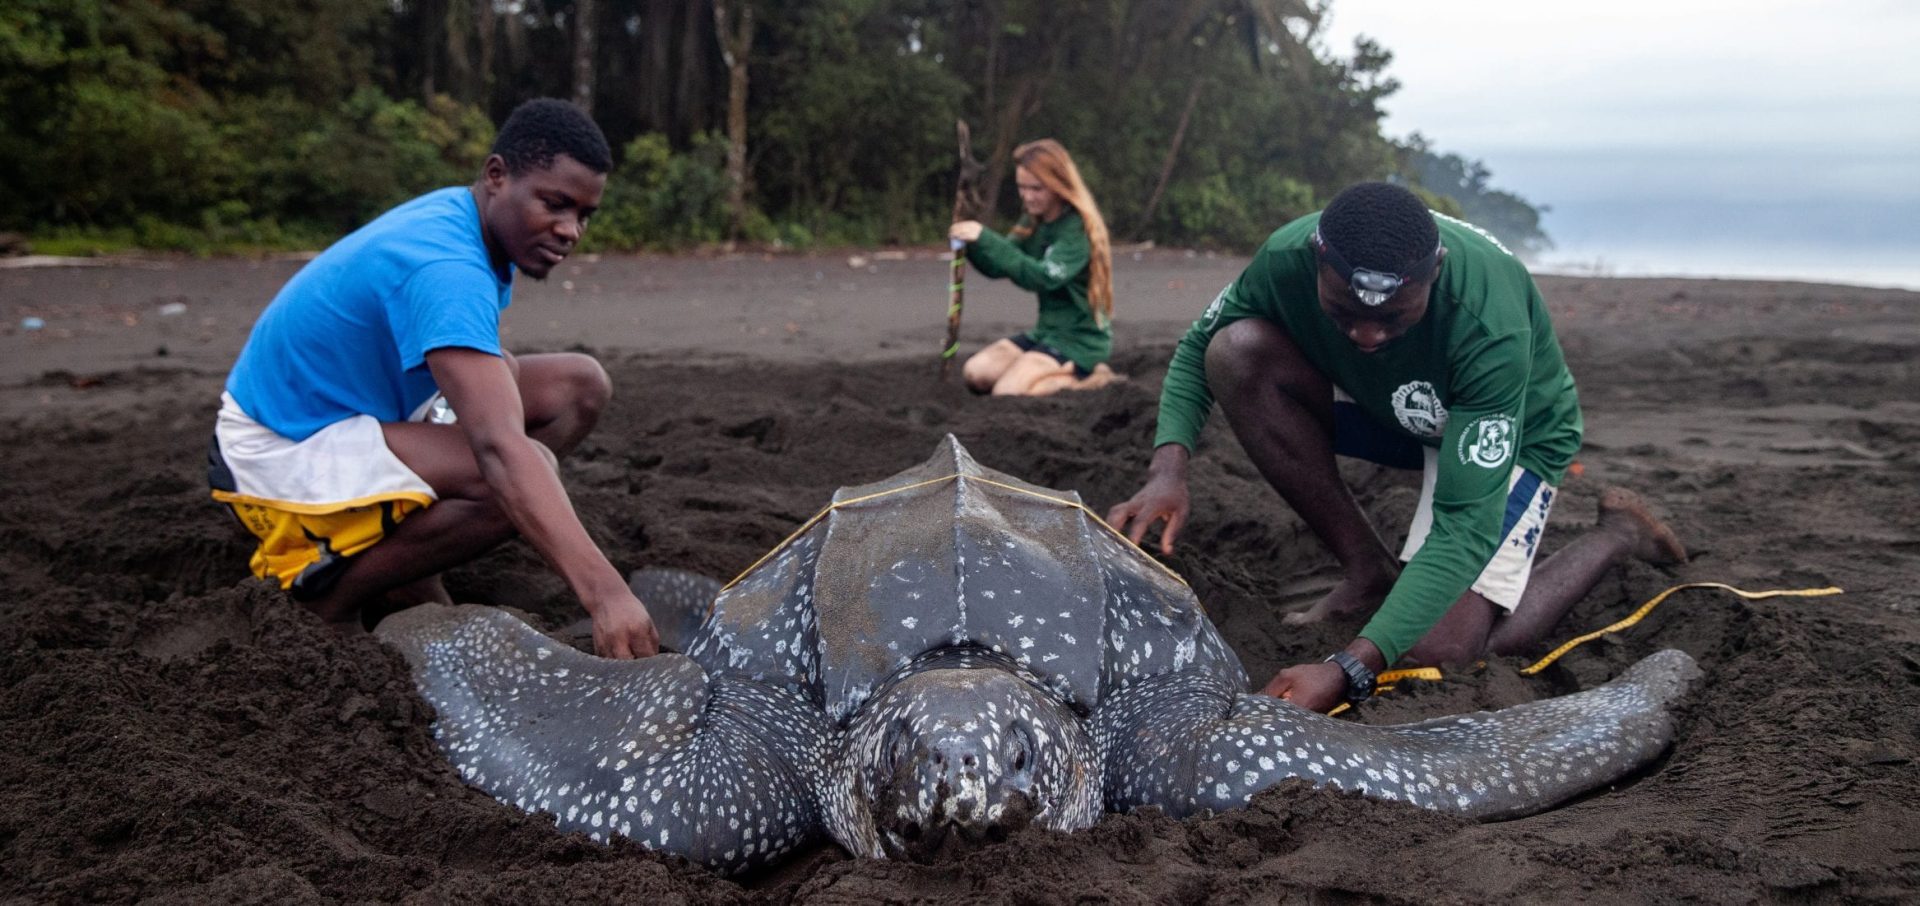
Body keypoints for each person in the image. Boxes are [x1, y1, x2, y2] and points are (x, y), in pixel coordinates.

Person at [1107, 181, 1684, 713]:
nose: (1367, 335)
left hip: (1508, 435)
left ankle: (1617, 535)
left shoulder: (1490, 325)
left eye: (1394, 319)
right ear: (1316, 258)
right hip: (1394, 409)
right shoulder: (1285, 257)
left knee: (1441, 649)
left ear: (1436, 270)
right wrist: (1168, 469)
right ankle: (1368, 569)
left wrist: (1347, 668)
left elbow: (1465, 528)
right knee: (1236, 351)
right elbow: (1196, 348)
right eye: (1345, 313)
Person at [207, 98, 659, 658]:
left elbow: (486, 374)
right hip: (278, 443)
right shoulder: (446, 266)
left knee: (577, 385)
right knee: (517, 474)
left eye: (584, 215)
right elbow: (499, 450)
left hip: (362, 408)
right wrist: (607, 596)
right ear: (497, 176)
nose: (570, 230)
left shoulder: (467, 219)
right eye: (555, 204)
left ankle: (411, 553)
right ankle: (334, 599)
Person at [948, 139, 1121, 396]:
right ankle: (1036, 367)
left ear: (1058, 186)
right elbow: (1003, 265)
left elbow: (1042, 278)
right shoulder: (1033, 221)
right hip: (1046, 332)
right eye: (1022, 187)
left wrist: (986, 237)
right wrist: (971, 245)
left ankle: (1094, 379)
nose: (1027, 196)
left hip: (1081, 340)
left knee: (1007, 393)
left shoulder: (1078, 229)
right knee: (976, 373)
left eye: (1037, 188)